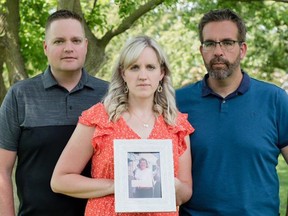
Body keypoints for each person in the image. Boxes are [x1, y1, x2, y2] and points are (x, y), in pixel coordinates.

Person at [50, 35, 194, 216]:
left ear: (162, 73)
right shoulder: (100, 118)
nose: (143, 76)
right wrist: (120, 185)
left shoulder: (176, 124)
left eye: (150, 67)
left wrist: (172, 185)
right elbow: (60, 181)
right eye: (134, 67)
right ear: (123, 73)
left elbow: (185, 192)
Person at [176, 9, 288, 216]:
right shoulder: (176, 103)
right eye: (210, 43)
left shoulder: (275, 100)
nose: (218, 51)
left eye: (227, 42)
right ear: (202, 50)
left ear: (242, 49)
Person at [0, 9, 108, 216]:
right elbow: (1, 171)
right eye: (59, 41)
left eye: (76, 41)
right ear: (45, 47)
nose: (69, 48)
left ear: (85, 46)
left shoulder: (110, 95)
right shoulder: (20, 96)